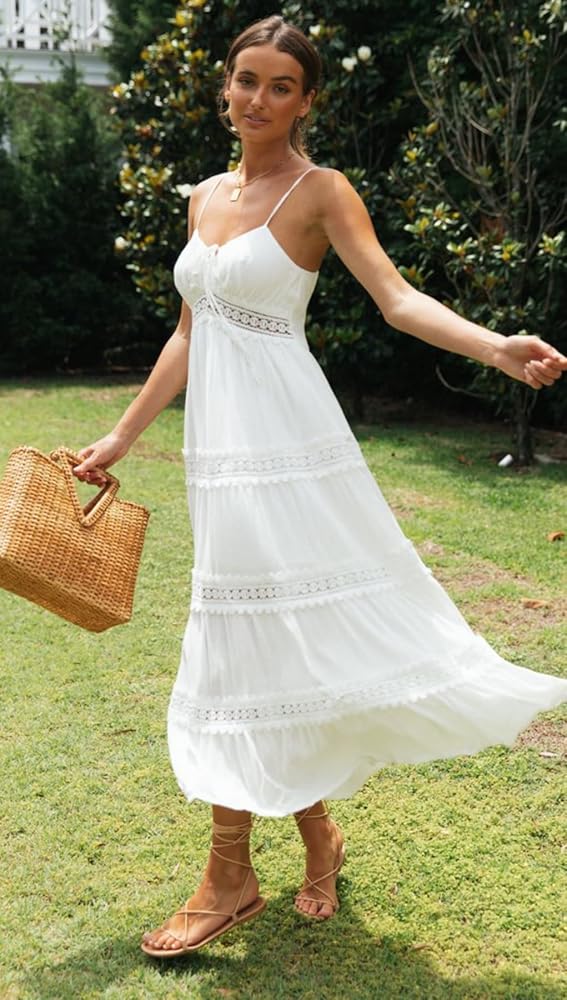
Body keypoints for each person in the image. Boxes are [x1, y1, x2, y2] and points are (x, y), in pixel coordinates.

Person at [73, 15, 567, 959]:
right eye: (244, 80)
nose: (256, 99)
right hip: (219, 457)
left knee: (242, 642)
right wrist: (123, 434)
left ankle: (227, 877)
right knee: (263, 642)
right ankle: (317, 838)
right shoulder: (203, 196)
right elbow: (190, 330)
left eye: (279, 86)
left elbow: (397, 299)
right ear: (224, 86)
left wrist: (495, 346)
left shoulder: (320, 190)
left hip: (289, 447)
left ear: (306, 101)